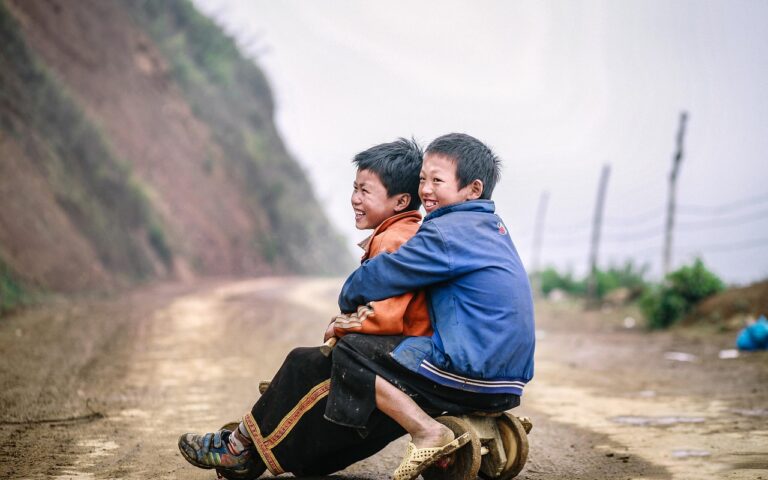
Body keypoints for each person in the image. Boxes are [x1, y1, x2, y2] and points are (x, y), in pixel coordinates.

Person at [178, 138, 432, 478]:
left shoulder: (394, 240)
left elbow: (385, 315)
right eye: (354, 188)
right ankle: (252, 440)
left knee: (302, 363)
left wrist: (340, 325)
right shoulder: (404, 233)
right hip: (403, 351)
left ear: (400, 201)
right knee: (309, 366)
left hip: (400, 356)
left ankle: (238, 447)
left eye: (365, 191)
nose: (355, 198)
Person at [330, 132, 535, 480]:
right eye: (423, 179)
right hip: (511, 382)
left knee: (351, 351)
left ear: (473, 189)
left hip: (469, 372)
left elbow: (384, 275)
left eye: (437, 181)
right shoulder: (492, 227)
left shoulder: (446, 232)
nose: (425, 190)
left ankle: (427, 431)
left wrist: (348, 296)